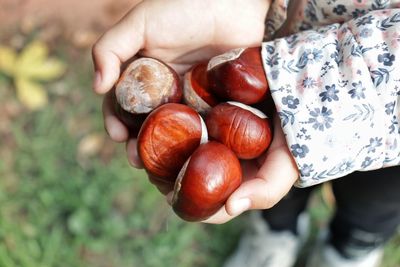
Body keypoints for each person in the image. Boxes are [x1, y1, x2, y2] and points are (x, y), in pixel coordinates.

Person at [92, 1, 400, 266]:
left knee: (372, 206)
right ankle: (272, 235)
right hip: (279, 40)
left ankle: (352, 249)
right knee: (278, 192)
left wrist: (302, 95)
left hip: (390, 143)